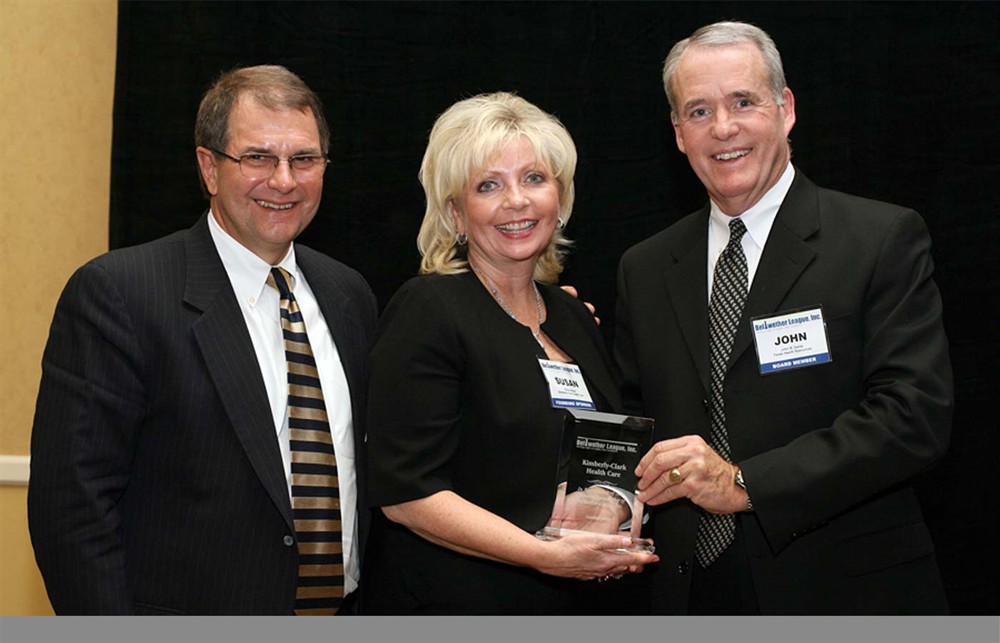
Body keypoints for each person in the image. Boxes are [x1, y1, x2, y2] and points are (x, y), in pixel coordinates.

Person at [615, 21, 952, 614]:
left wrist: (745, 484)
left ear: (785, 108)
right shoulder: (643, 269)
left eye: (742, 101)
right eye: (698, 111)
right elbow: (634, 420)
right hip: (686, 589)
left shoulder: (879, 239)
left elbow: (912, 417)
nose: (723, 128)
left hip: (842, 587)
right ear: (677, 133)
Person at [28, 65, 377, 615]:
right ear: (209, 167)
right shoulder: (120, 293)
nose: (284, 180)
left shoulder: (349, 295)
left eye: (303, 159)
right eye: (258, 157)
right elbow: (71, 511)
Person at [362, 92, 658, 614]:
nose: (517, 201)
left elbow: (611, 443)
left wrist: (609, 504)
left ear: (559, 199)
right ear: (455, 212)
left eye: (534, 179)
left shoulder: (570, 316)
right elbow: (406, 494)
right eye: (488, 186)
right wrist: (543, 555)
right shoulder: (429, 310)